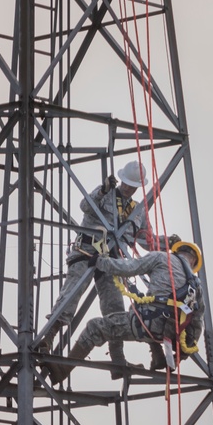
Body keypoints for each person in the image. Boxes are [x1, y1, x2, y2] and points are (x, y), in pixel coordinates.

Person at [40, 160, 176, 379]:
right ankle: (48, 338)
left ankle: (118, 361)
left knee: (115, 309)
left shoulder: (137, 211)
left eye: (133, 186)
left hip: (112, 262)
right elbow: (85, 205)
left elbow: (146, 241)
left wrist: (167, 242)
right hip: (87, 252)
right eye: (126, 184)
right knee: (71, 295)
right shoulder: (106, 194)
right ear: (121, 180)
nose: (128, 188)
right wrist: (103, 189)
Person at [45, 241, 205, 385]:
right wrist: (180, 357)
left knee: (95, 328)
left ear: (176, 251)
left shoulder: (162, 258)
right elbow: (197, 324)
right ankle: (158, 357)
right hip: (167, 333)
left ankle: (62, 371)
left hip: (146, 324)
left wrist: (101, 262)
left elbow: (128, 268)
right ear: (193, 262)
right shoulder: (196, 286)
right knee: (136, 307)